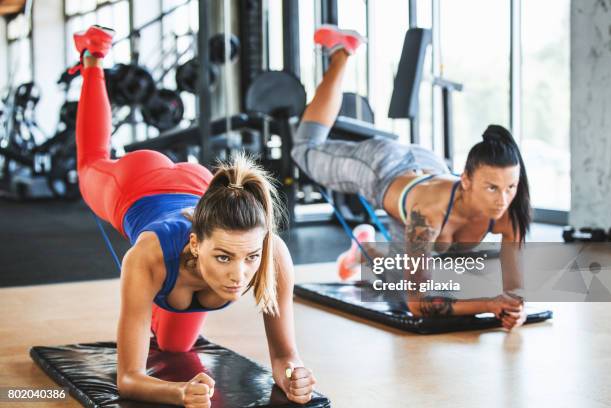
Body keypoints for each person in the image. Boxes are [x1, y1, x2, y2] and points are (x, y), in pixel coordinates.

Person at [72, 25, 315, 407]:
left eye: (249, 257)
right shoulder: (147, 257)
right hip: (135, 184)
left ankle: (160, 303)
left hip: (201, 186)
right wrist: (177, 392)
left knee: (174, 345)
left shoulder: (271, 253)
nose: (240, 275)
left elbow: (286, 357)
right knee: (90, 165)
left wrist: (293, 376)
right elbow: (129, 379)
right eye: (223, 257)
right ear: (194, 244)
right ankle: (93, 58)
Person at [293, 25, 531, 329]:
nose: (503, 199)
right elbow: (418, 305)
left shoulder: (509, 215)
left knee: (404, 278)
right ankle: (341, 52)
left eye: (511, 187)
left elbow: (514, 291)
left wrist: (515, 307)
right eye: (492, 188)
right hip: (385, 168)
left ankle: (366, 251)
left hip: (429, 167)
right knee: (305, 150)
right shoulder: (426, 217)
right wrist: (488, 304)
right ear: (466, 180)